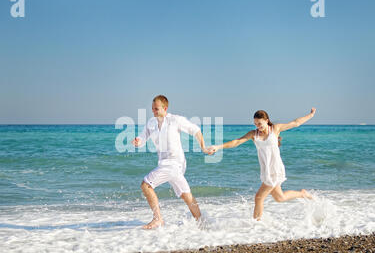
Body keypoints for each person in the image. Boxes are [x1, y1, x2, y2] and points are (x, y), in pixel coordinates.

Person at [207, 108, 316, 220]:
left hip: (275, 169)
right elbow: (236, 142)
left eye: (259, 123)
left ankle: (256, 224)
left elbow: (295, 123)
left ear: (266, 120)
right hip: (266, 170)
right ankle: (303, 194)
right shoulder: (254, 134)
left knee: (259, 198)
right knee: (280, 198)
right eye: (255, 124)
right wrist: (218, 147)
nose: (258, 126)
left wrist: (310, 115)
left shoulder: (275, 129)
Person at [132, 95, 209, 229]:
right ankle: (202, 224)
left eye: (156, 109)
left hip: (174, 163)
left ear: (165, 108)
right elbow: (142, 137)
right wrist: (138, 141)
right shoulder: (151, 123)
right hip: (166, 164)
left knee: (146, 185)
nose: (153, 111)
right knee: (186, 195)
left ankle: (158, 219)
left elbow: (196, 130)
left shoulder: (175, 120)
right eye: (152, 109)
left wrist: (202, 147)